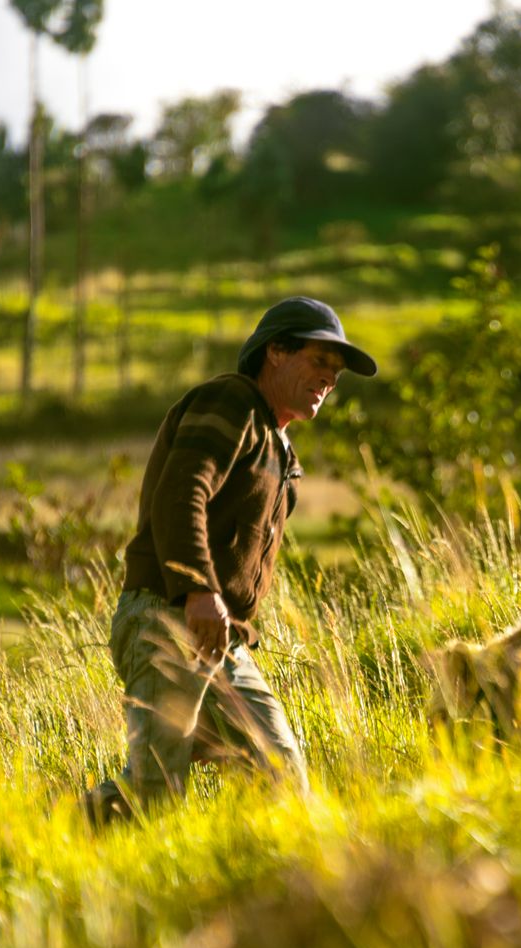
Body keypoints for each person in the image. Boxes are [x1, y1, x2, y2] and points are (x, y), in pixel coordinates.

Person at [84, 297, 377, 822]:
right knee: (157, 801)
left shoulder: (278, 446)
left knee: (278, 769)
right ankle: (55, 840)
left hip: (218, 641)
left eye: (336, 373)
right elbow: (181, 491)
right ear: (275, 353)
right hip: (168, 619)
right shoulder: (231, 402)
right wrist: (199, 588)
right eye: (319, 362)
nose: (330, 380)